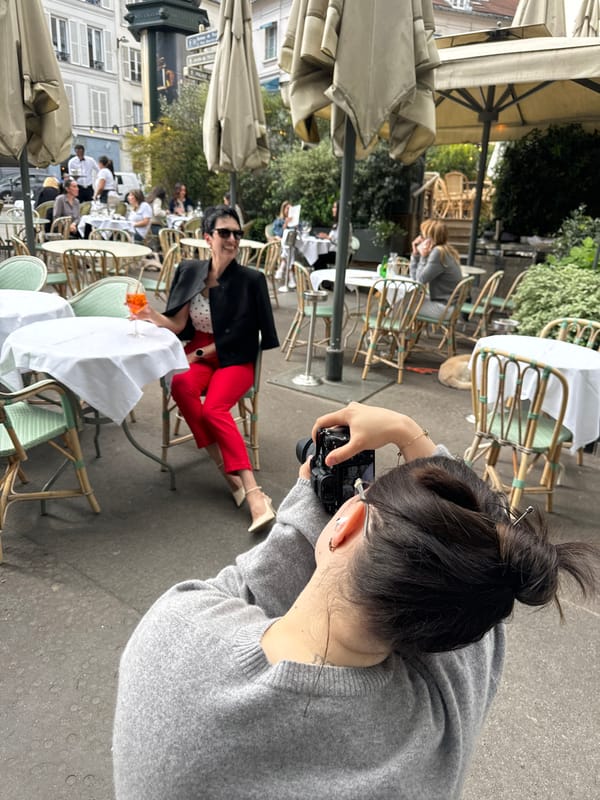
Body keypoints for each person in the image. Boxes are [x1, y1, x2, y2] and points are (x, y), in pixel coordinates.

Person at [113, 401, 599, 800]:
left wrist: (314, 495)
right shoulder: (441, 725)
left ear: (342, 526)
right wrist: (411, 433)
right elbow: (485, 555)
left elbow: (251, 582)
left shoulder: (175, 631)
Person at [132, 204, 279, 532]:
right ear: (207, 237)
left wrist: (202, 351)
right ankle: (226, 471)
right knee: (180, 384)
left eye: (237, 234)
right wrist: (151, 316)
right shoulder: (190, 271)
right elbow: (178, 322)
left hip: (234, 357)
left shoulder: (251, 280)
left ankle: (254, 493)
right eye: (224, 233)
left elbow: (250, 334)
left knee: (214, 409)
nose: (232, 239)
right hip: (197, 350)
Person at [409, 219, 463, 319]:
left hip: (444, 309)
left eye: (423, 235)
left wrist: (423, 256)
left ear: (430, 239)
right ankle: (396, 331)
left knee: (403, 305)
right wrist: (416, 254)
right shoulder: (446, 249)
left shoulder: (438, 253)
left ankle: (391, 331)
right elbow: (415, 279)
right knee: (406, 300)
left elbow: (419, 281)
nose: (420, 238)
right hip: (449, 305)